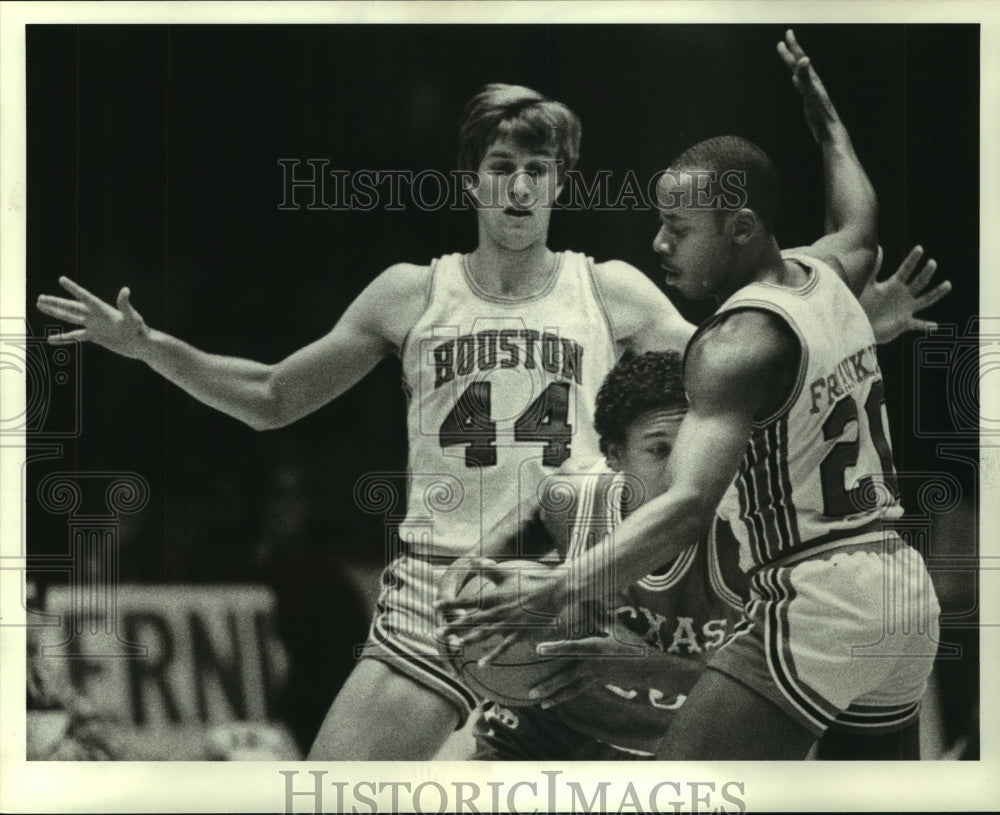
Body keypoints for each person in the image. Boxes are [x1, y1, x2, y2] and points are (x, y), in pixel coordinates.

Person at [37, 56, 945, 759]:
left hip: (577, 595)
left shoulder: (614, 291)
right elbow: (274, 397)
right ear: (471, 176)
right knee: (331, 794)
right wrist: (150, 348)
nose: (519, 186)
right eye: (502, 166)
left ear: (561, 181)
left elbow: (748, 366)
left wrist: (860, 322)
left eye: (538, 168)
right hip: (441, 591)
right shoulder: (409, 293)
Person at [444, 31, 945, 760]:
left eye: (679, 228)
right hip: (903, 592)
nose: (658, 243)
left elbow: (684, 507)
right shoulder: (829, 270)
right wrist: (828, 123)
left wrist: (553, 593)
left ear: (740, 229)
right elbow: (859, 214)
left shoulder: (731, 342)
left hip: (820, 597)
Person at [446, 349, 746, 760]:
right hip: (545, 731)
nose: (683, 470)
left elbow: (769, 697)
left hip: (662, 750)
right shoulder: (576, 499)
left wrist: (644, 664)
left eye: (697, 449)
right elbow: (475, 567)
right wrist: (463, 596)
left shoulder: (751, 536)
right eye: (660, 450)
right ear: (614, 454)